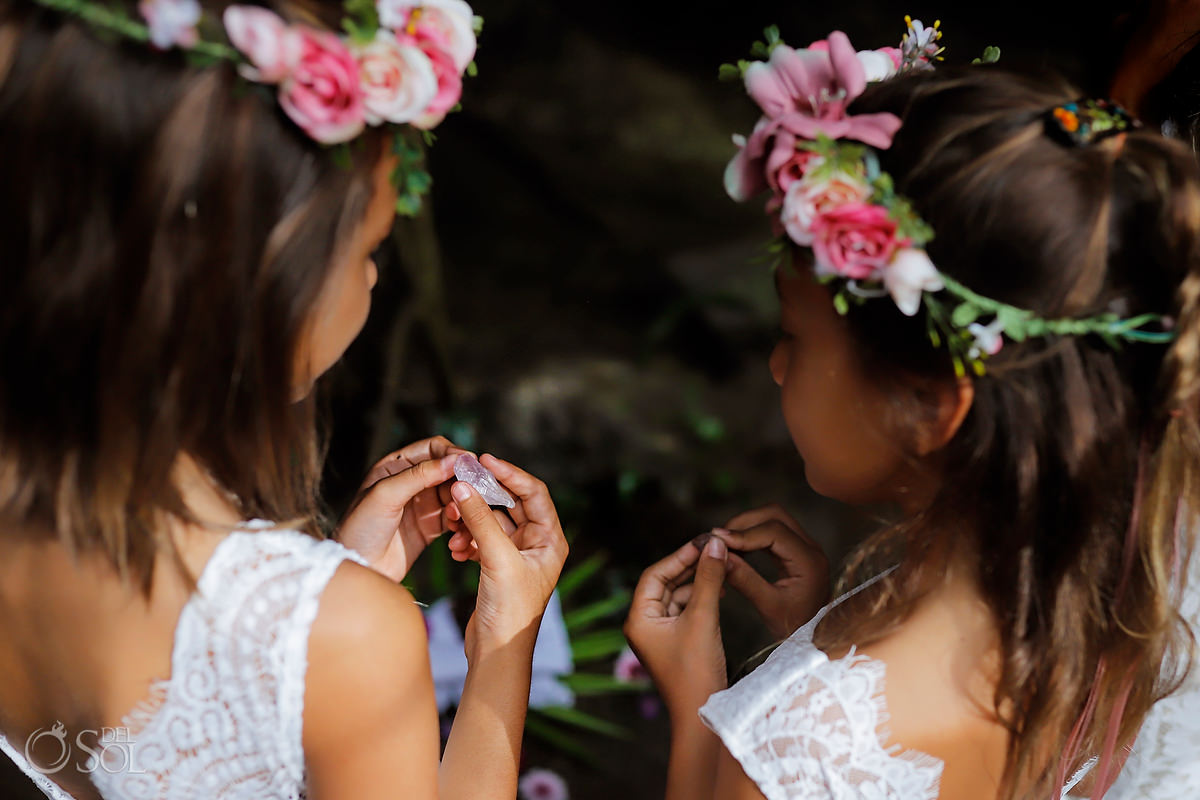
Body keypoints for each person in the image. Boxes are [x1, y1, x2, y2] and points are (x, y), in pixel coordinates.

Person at [0, 1, 568, 798]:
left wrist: (319, 591)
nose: (374, 280)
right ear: (258, 288)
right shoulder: (351, 640)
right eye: (369, 249)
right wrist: (504, 645)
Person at [625, 23, 1200, 800]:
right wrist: (816, 632)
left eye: (793, 336)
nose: (774, 365)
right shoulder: (1107, 598)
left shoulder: (798, 745)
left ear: (931, 404)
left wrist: (709, 707)